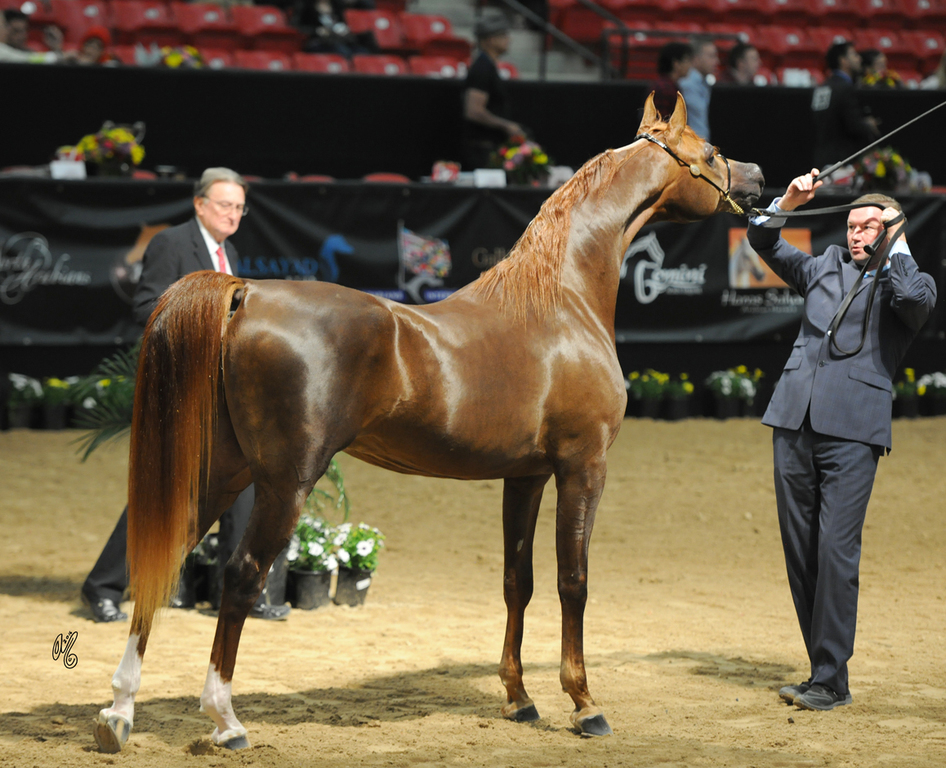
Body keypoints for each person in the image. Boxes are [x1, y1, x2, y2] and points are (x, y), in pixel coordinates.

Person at [748, 170, 937, 711]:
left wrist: (896, 245)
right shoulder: (822, 266)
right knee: (801, 551)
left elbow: (911, 302)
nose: (855, 235)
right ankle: (823, 671)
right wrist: (788, 201)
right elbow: (763, 239)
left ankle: (831, 680)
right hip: (792, 420)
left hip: (853, 430)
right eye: (852, 226)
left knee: (836, 551)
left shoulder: (912, 281)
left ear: (892, 230)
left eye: (868, 227)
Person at [82, 168, 292, 623]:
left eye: (239, 207)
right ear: (199, 204)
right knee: (163, 493)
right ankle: (102, 586)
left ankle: (237, 594)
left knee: (240, 490)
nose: (233, 214)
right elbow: (145, 308)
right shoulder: (172, 244)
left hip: (224, 396)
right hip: (181, 394)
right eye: (224, 205)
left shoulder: (228, 252)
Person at [462, 12, 524, 170]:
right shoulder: (482, 68)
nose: (508, 39)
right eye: (503, 35)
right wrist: (506, 125)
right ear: (490, 40)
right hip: (482, 151)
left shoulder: (488, 66)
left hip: (491, 147)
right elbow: (473, 111)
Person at [811, 41, 879, 170]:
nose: (859, 59)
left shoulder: (821, 87)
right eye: (854, 55)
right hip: (841, 164)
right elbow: (853, 125)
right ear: (843, 60)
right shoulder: (845, 88)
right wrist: (868, 125)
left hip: (821, 161)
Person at [677, 36, 719, 140]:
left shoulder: (705, 84)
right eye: (711, 56)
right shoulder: (686, 84)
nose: (717, 61)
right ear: (696, 58)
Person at [0, 11, 67, 63]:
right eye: (16, 31)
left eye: (25, 30)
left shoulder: (28, 52)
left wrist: (56, 48)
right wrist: (59, 55)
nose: (22, 36)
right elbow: (26, 59)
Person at [649, 42, 692, 119]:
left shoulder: (671, 86)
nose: (689, 65)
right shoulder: (665, 89)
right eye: (686, 60)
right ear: (676, 63)